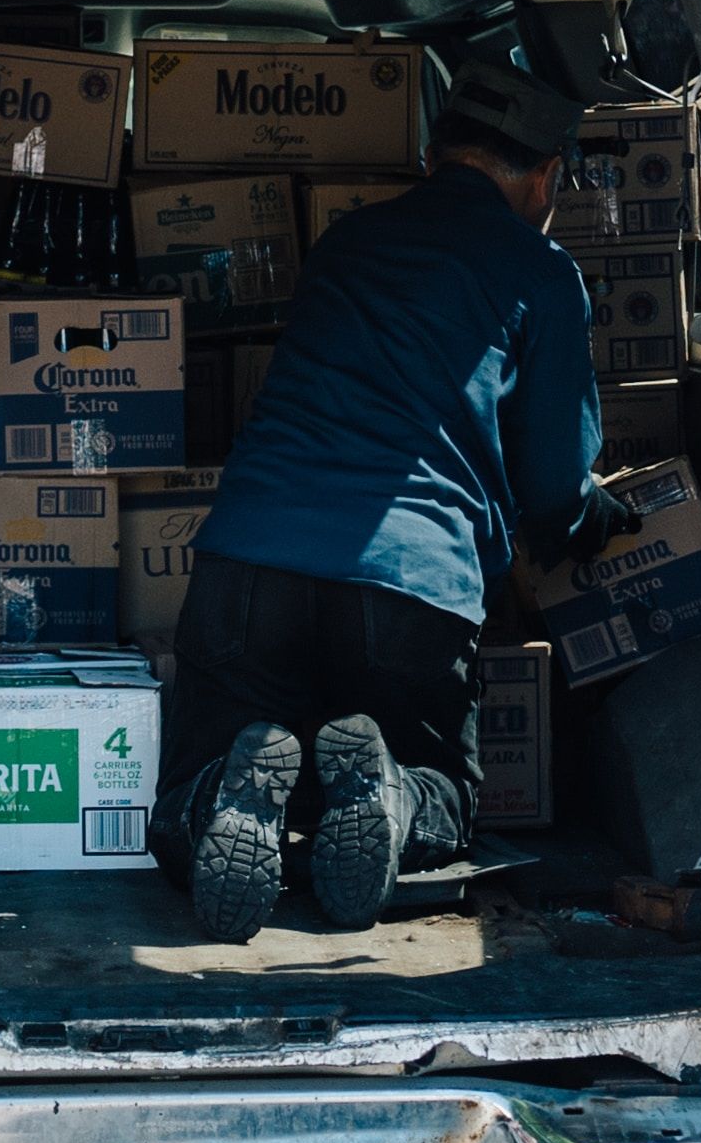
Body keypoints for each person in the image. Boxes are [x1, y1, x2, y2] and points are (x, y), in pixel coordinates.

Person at [161, 59, 631, 940]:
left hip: (252, 559)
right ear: (547, 176)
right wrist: (582, 520)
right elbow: (551, 486)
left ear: (430, 155)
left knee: (199, 783)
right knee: (444, 796)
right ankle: (392, 791)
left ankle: (228, 793)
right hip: (410, 578)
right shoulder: (540, 270)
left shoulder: (348, 241)